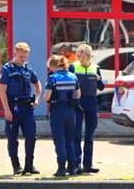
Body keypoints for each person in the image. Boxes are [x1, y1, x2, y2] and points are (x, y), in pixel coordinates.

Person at [0, 42, 43, 175]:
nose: (23, 59)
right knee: (12, 137)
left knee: (31, 136)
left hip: (26, 107)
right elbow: (2, 91)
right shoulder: (6, 69)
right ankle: (16, 165)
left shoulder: (28, 68)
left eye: (25, 57)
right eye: (21, 56)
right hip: (13, 105)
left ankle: (29, 165)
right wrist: (7, 109)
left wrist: (37, 97)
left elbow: (37, 83)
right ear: (15, 54)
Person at [69, 44, 105, 174]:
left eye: (82, 56)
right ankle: (76, 164)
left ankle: (88, 164)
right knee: (76, 134)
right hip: (78, 101)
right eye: (78, 56)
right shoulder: (73, 67)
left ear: (89, 56)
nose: (79, 58)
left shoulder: (95, 68)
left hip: (91, 101)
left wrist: (98, 79)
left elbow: (101, 87)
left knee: (89, 135)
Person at [43, 55, 80, 178]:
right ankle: (72, 167)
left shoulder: (52, 78)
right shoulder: (73, 76)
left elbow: (47, 97)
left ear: (53, 66)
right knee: (69, 140)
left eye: (50, 67)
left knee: (59, 140)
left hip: (58, 111)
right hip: (71, 111)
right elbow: (78, 95)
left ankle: (61, 168)